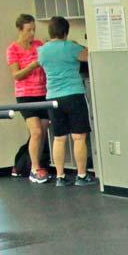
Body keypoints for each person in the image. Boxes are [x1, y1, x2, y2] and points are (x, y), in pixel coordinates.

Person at [37, 16, 93, 187]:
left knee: (59, 138)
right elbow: (89, 56)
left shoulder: (42, 50)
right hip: (74, 95)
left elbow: (41, 64)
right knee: (78, 137)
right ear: (66, 32)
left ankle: (60, 176)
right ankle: (82, 175)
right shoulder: (71, 47)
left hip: (52, 97)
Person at [6, 14, 51, 182]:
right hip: (25, 96)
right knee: (36, 131)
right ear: (19, 30)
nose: (32, 33)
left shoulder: (39, 45)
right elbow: (16, 75)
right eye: (28, 30)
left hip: (42, 92)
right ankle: (34, 168)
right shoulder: (13, 49)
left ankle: (37, 164)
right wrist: (32, 66)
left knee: (43, 130)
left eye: (33, 29)